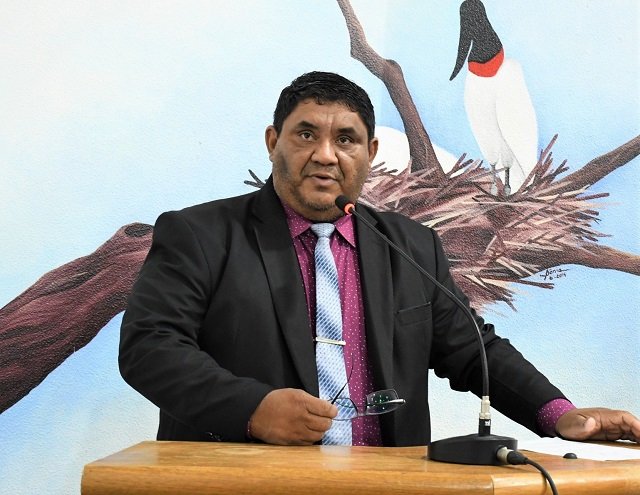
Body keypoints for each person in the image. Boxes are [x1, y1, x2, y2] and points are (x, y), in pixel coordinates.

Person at [119, 71, 640, 447]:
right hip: (239, 480)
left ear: (369, 153)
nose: (326, 154)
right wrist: (251, 409)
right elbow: (150, 347)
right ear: (273, 142)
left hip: (387, 481)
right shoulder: (199, 234)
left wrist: (559, 413)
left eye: (345, 139)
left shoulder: (411, 245)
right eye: (306, 134)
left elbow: (472, 349)